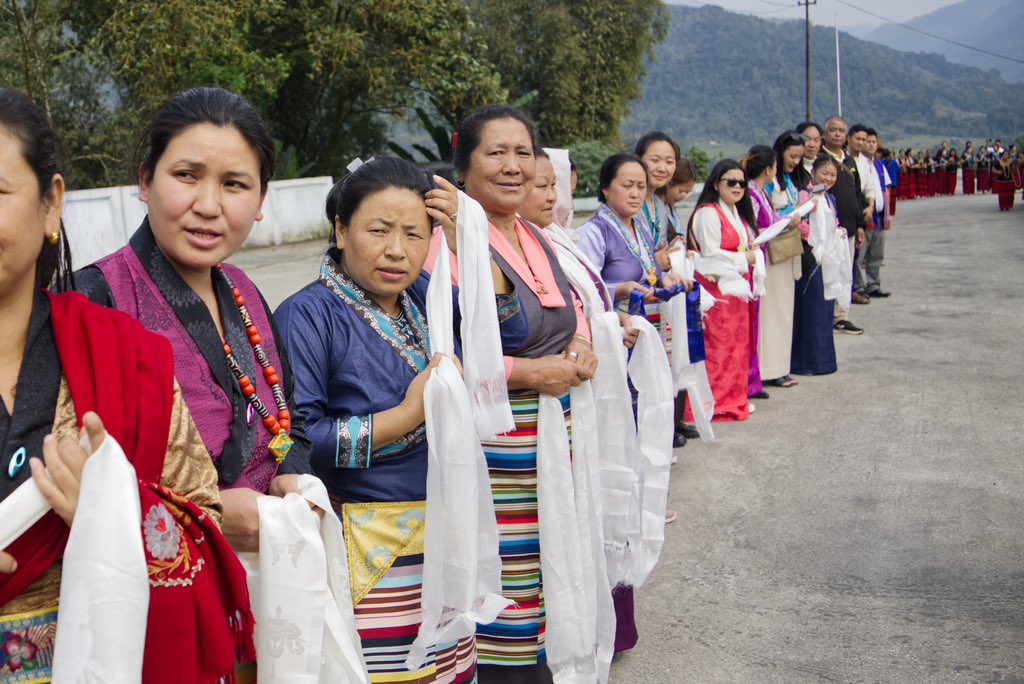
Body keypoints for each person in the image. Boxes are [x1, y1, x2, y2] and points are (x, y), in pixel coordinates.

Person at [0, 85, 252, 684]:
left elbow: (204, 523)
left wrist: (119, 511)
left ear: (51, 204)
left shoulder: (124, 356)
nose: (209, 204)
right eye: (188, 175)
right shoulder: (108, 287)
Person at [75, 88, 314, 554]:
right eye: (187, 175)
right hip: (164, 585)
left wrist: (290, 475)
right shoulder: (93, 299)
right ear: (145, 181)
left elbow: (292, 416)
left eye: (234, 184)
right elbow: (71, 475)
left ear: (261, 199)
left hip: (272, 568)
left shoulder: (243, 289)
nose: (208, 205)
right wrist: (208, 514)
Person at [274, 158, 481, 683]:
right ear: (341, 229)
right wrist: (408, 415)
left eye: (415, 234)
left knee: (445, 670)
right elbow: (297, 442)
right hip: (367, 546)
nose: (397, 250)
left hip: (441, 528)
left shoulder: (422, 297)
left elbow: (508, 325)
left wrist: (466, 247)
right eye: (379, 230)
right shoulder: (307, 315)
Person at [450, 105, 598, 683]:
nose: (514, 166)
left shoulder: (533, 232)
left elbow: (575, 304)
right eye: (496, 152)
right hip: (496, 445)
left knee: (548, 565)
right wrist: (531, 374)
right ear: (464, 165)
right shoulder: (452, 238)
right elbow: (439, 353)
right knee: (506, 575)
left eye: (523, 153)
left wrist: (583, 344)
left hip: (550, 437)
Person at [685, 160, 757, 422]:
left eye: (742, 183)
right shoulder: (708, 213)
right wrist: (745, 260)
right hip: (715, 289)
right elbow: (710, 253)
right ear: (716, 184)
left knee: (735, 347)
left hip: (733, 289)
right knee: (718, 347)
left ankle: (731, 398)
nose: (738, 187)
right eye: (731, 182)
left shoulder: (732, 211)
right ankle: (714, 402)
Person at [760, 131, 810, 389]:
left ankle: (781, 364)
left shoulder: (789, 181)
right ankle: (769, 366)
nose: (795, 161)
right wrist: (786, 217)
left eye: (800, 157)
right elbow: (764, 214)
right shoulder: (768, 183)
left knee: (784, 308)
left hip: (787, 246)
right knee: (772, 310)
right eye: (792, 156)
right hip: (773, 250)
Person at [743, 145, 792, 398]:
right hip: (756, 257)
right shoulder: (751, 193)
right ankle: (753, 376)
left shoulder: (759, 191)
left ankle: (755, 376)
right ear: (769, 169)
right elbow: (753, 230)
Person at [790, 156, 838, 376]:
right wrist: (813, 238)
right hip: (810, 256)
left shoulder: (830, 199)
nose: (828, 178)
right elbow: (797, 221)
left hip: (827, 257)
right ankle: (805, 362)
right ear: (814, 173)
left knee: (825, 308)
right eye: (824, 173)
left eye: (832, 175)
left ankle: (823, 361)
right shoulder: (806, 195)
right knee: (810, 308)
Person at [821, 116, 866, 335]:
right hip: (828, 228)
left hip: (848, 227)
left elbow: (856, 194)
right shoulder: (821, 161)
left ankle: (842, 314)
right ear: (825, 133)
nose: (837, 134)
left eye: (841, 131)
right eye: (833, 130)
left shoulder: (849, 161)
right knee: (830, 271)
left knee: (845, 272)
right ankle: (828, 314)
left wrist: (860, 224)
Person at [857, 128, 891, 299]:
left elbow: (886, 190)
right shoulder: (858, 162)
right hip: (866, 215)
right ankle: (857, 286)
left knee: (877, 253)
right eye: (867, 141)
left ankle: (873, 284)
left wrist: (888, 215)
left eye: (873, 142)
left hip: (879, 215)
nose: (870, 144)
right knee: (861, 253)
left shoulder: (879, 164)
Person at [634, 131, 680, 253]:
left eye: (669, 162)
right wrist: (655, 261)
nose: (662, 169)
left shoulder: (660, 206)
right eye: (655, 160)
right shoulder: (626, 203)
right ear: (637, 159)